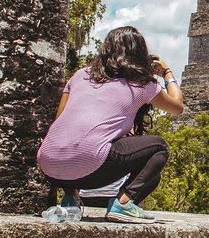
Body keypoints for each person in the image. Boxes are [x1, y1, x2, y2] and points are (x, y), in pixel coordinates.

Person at [37, 26, 183, 223]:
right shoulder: (142, 85)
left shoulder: (80, 75)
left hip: (49, 166)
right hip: (90, 166)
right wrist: (166, 72)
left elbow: (60, 121)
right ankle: (122, 204)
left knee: (74, 140)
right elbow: (177, 106)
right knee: (159, 147)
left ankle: (71, 198)